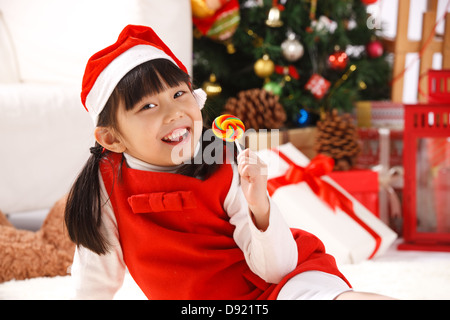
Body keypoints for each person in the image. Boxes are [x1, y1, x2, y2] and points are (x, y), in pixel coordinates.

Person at [65, 24, 391, 300]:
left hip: (275, 284)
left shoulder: (222, 162)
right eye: (148, 107)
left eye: (179, 95)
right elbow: (95, 281)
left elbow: (276, 268)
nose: (175, 112)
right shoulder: (105, 183)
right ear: (111, 139)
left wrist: (259, 205)